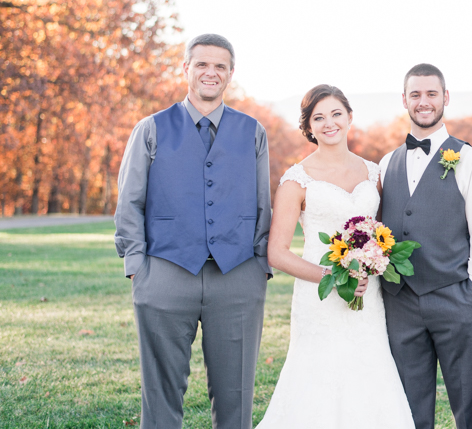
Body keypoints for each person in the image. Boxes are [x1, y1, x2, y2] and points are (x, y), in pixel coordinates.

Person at [114, 34, 271, 429]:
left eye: (220, 66)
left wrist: (259, 268)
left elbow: (262, 203)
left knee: (236, 395)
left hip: (237, 276)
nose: (210, 72)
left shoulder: (253, 131)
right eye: (202, 64)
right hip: (165, 271)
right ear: (185, 68)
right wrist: (137, 266)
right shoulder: (150, 129)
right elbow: (129, 201)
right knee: (162, 392)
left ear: (231, 74)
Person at [257, 84, 414, 429]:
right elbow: (277, 253)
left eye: (336, 114)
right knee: (319, 375)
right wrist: (335, 277)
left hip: (368, 298)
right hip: (321, 297)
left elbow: (382, 232)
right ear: (309, 127)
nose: (329, 123)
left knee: (369, 369)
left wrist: (374, 262)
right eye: (319, 117)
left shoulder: (373, 174)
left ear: (349, 117)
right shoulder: (295, 180)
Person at [379, 64, 472, 429]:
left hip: (455, 299)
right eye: (415, 94)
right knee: (408, 405)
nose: (424, 102)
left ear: (445, 97)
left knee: (468, 405)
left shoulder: (470, 161)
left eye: (431, 93)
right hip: (400, 302)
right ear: (404, 100)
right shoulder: (388, 162)